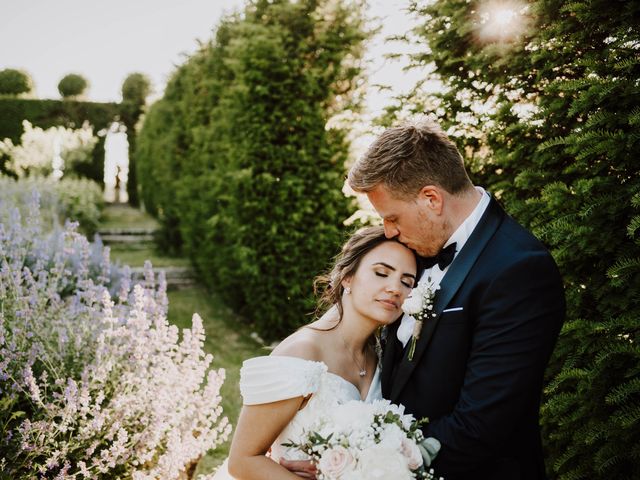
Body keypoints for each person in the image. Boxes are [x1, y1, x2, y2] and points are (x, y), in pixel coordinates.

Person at [344, 120, 566, 480]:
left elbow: (479, 427)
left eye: (392, 217)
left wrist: (355, 461)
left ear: (431, 199)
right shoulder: (413, 248)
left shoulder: (519, 270)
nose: (388, 232)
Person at [212, 226, 420, 480]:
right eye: (381, 273)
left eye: (406, 282)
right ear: (348, 278)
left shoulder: (381, 357)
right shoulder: (302, 352)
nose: (395, 288)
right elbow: (243, 461)